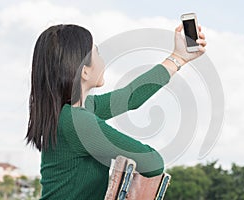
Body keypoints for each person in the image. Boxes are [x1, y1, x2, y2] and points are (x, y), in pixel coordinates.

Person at [25, 23, 206, 199]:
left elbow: (130, 96)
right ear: (84, 72)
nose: (102, 59)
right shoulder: (77, 122)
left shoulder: (71, 114)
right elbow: (153, 162)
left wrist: (178, 57)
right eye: (97, 52)